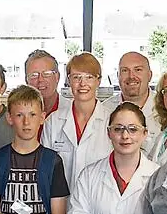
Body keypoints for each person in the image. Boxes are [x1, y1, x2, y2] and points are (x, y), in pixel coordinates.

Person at [0, 85, 70, 214]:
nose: (26, 122)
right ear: (9, 118)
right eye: (19, 115)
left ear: (42, 117)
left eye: (32, 115)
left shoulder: (52, 161)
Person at [41, 52, 113, 188]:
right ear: (69, 80)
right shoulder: (53, 121)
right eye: (76, 77)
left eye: (89, 77)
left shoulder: (112, 121)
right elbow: (45, 169)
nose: (82, 83)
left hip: (98, 204)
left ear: (98, 81)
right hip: (60, 203)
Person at [101, 51, 159, 154]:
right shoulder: (104, 110)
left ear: (149, 75)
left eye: (138, 70)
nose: (131, 76)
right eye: (125, 70)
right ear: (118, 76)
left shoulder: (163, 109)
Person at [23, 49, 67, 142]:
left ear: (57, 77)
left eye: (47, 74)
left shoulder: (71, 111)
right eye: (34, 75)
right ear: (26, 80)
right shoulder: (18, 115)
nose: (40, 80)